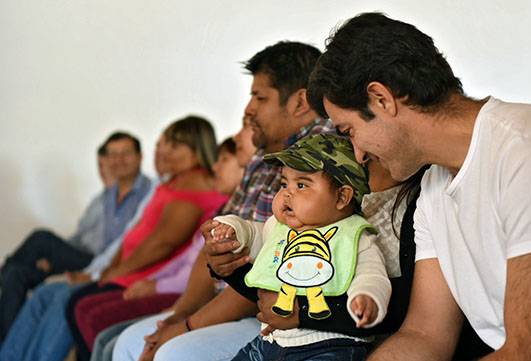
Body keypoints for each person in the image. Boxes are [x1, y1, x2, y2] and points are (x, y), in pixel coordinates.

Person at [307, 12, 531, 360]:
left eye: (349, 132)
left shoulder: (530, 149)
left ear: (381, 99)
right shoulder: (433, 187)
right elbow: (424, 334)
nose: (359, 154)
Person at [113, 41, 331, 361]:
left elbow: (268, 271)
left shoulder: (319, 158)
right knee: (130, 341)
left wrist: (188, 325)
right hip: (219, 308)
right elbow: (214, 240)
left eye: (260, 97)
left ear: (300, 102)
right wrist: (180, 314)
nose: (248, 110)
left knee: (175, 354)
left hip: (271, 317)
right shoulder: (262, 157)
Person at [210, 133, 390, 360]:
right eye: (284, 183)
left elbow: (372, 274)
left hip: (328, 346)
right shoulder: (279, 227)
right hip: (270, 341)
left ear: (342, 197)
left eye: (302, 185)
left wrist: (367, 296)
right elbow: (253, 234)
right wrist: (232, 229)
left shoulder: (353, 237)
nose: (287, 193)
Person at [66, 115, 228, 361]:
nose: (165, 152)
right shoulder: (173, 183)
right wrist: (113, 267)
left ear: (196, 149)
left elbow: (163, 244)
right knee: (76, 303)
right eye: (163, 145)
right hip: (142, 273)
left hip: (149, 276)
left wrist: (122, 272)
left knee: (84, 308)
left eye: (174, 146)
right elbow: (136, 233)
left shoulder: (193, 188)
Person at [0, 132, 171, 361]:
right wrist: (54, 259)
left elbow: (123, 245)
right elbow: (79, 235)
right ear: (105, 160)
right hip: (87, 257)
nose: (118, 160)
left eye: (125, 153)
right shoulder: (104, 198)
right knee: (16, 275)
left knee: (42, 240)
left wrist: (94, 273)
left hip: (104, 262)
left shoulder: (150, 193)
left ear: (140, 156)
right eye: (112, 154)